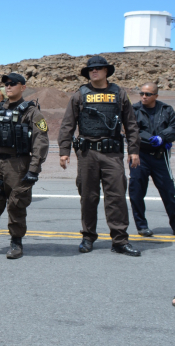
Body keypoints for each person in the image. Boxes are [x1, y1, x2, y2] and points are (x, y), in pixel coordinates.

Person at [58, 56, 141, 256]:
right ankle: (88, 237)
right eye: (90, 70)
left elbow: (131, 124)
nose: (93, 72)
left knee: (117, 198)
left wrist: (134, 150)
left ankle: (119, 240)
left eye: (98, 69)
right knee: (88, 197)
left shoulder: (119, 93)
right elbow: (68, 125)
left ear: (106, 71)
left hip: (112, 154)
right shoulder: (79, 95)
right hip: (87, 154)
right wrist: (64, 151)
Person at [0, 73, 49, 259]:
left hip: (19, 164)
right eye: (6, 84)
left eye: (13, 84)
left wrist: (34, 169)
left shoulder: (32, 112)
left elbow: (41, 142)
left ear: (23, 87)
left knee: (16, 205)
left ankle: (16, 242)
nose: (8, 86)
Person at [128, 82, 175, 236]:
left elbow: (173, 128)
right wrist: (151, 139)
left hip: (161, 157)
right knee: (137, 191)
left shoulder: (166, 110)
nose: (144, 96)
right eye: (142, 93)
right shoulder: (134, 110)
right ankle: (141, 226)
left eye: (148, 94)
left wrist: (162, 138)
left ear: (156, 95)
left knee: (169, 192)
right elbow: (132, 130)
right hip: (140, 156)